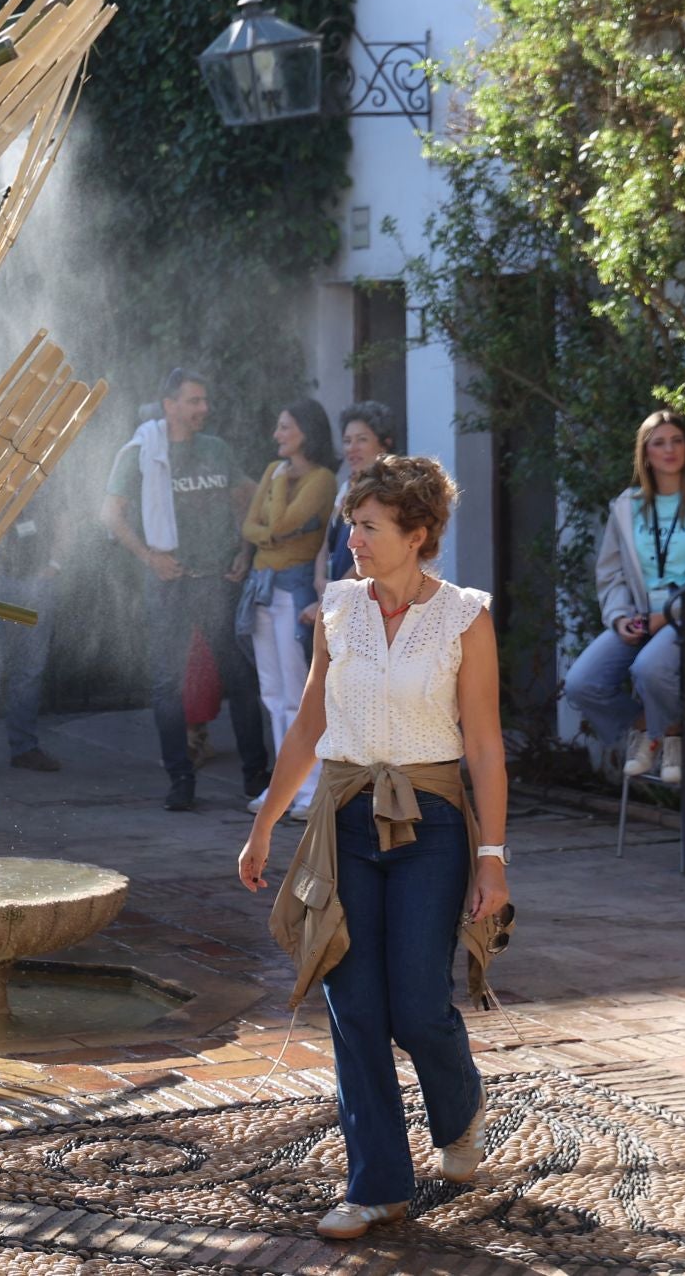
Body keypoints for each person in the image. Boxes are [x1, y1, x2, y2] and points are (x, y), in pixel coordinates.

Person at [237, 455, 513, 1241]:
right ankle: (378, 1185)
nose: (352, 538)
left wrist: (490, 855)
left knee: (420, 1004)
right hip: (345, 821)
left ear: (417, 534)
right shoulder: (339, 606)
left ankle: (459, 1114)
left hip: (431, 822)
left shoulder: (464, 616)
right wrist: (264, 827)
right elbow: (308, 723)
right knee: (353, 1004)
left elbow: (485, 747)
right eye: (352, 524)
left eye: (369, 526)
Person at [105, 367, 269, 811]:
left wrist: (245, 548)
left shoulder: (217, 450)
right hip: (169, 584)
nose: (203, 409)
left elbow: (248, 499)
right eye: (194, 401)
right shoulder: (140, 453)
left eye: (204, 400)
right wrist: (150, 557)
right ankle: (180, 778)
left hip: (217, 581)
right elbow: (112, 515)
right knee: (167, 685)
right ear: (170, 405)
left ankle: (258, 779)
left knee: (240, 678)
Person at [564, 411, 685, 785]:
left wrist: (668, 615)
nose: (669, 449)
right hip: (641, 617)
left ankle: (660, 732)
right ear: (645, 453)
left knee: (649, 668)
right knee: (581, 681)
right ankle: (652, 733)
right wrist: (620, 616)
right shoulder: (626, 507)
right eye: (659, 442)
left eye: (677, 440)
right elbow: (610, 573)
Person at [238, 398, 337, 820]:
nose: (277, 435)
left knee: (300, 694)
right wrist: (270, 535)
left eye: (285, 428)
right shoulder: (270, 470)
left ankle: (310, 787)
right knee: (272, 693)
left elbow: (276, 525)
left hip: (295, 591)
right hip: (262, 588)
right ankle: (282, 786)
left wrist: (276, 495)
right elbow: (249, 526)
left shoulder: (321, 478)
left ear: (306, 432)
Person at [0, 506, 67, 778]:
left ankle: (24, 749)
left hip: (37, 581)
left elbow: (62, 519)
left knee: (30, 671)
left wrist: (54, 565)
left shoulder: (46, 476)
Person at [310, 401, 400, 605]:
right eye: (347, 440)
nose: (352, 448)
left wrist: (336, 593)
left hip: (371, 600)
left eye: (362, 440)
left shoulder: (387, 491)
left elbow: (376, 551)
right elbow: (326, 542)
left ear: (385, 443)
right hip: (339, 598)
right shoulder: (346, 486)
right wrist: (319, 580)